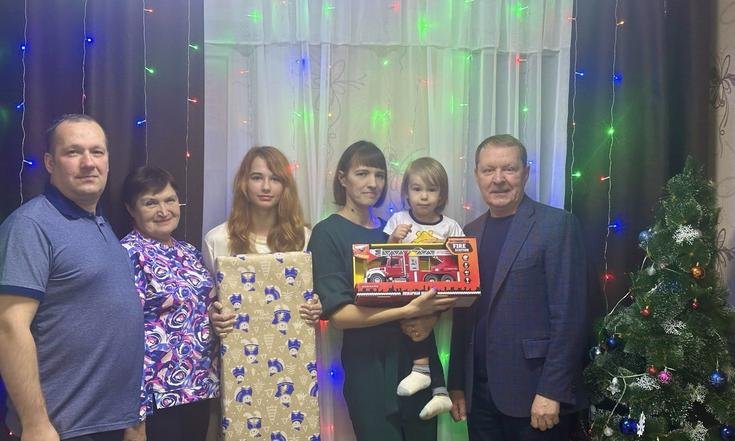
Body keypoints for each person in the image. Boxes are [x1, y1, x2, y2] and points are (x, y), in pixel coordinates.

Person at [0, 114, 145, 441]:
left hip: (110, 422)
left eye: (97, 152)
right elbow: (9, 328)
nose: (88, 163)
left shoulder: (101, 224)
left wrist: (132, 417)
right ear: (50, 163)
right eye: (73, 152)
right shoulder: (30, 226)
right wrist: (35, 423)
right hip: (61, 428)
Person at [308, 140, 456, 441]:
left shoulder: (396, 230)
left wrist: (429, 317)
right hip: (367, 367)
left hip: (416, 364)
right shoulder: (327, 233)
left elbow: (433, 286)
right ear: (342, 179)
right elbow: (340, 317)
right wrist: (407, 311)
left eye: (379, 175)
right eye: (362, 173)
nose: (373, 183)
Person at [447, 134, 588, 441]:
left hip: (534, 394)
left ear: (525, 173)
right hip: (479, 395)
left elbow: (570, 317)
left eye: (509, 169)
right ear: (477, 175)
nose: (498, 179)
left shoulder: (556, 226)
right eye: (488, 170)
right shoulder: (468, 234)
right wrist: (457, 383)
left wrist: (552, 390)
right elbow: (463, 314)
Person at [120, 166, 219, 441]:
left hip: (197, 388)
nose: (163, 211)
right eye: (150, 203)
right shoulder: (128, 255)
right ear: (131, 209)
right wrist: (135, 415)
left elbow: (202, 309)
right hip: (156, 398)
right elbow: (125, 338)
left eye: (170, 200)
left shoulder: (189, 252)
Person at [203, 146, 322, 335]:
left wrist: (316, 306)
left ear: (285, 186)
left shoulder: (305, 238)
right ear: (244, 182)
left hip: (291, 345)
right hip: (236, 346)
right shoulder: (217, 240)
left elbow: (311, 297)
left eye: (275, 179)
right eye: (257, 177)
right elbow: (208, 301)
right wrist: (213, 315)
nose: (266, 187)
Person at [384, 157, 464, 420]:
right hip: (405, 289)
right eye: (417, 189)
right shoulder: (398, 219)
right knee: (416, 323)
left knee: (420, 321)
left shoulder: (450, 226)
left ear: (442, 195)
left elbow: (462, 259)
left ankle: (422, 371)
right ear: (406, 192)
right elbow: (384, 259)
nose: (424, 196)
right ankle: (439, 389)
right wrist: (393, 238)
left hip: (437, 290)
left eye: (432, 189)